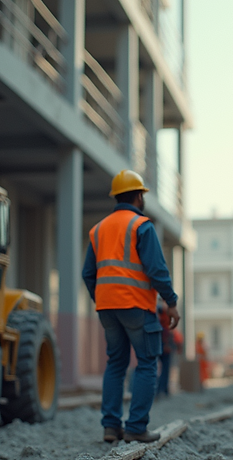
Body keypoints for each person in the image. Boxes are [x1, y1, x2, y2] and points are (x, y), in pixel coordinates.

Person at [82, 170, 179, 443]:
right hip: (136, 305)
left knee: (116, 363)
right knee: (148, 363)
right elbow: (157, 270)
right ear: (138, 195)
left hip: (107, 307)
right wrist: (171, 302)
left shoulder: (98, 229)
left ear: (116, 196)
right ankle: (136, 427)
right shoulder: (141, 226)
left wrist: (101, 298)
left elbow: (88, 274)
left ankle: (111, 427)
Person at [156, 301, 183, 397]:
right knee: (162, 369)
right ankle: (161, 390)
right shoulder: (162, 314)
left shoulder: (162, 316)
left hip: (163, 345)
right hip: (163, 346)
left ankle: (163, 389)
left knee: (162, 369)